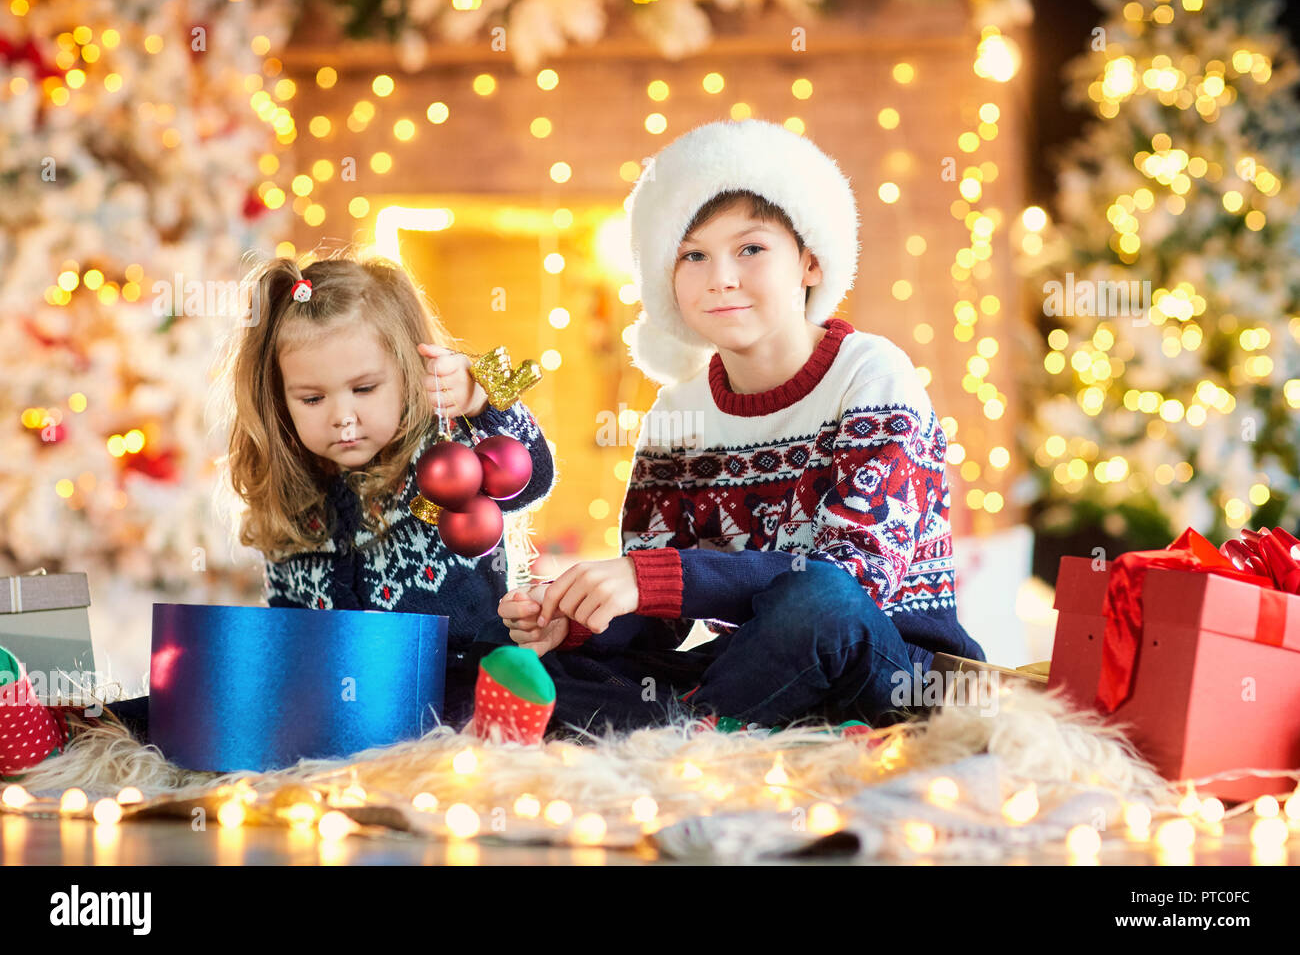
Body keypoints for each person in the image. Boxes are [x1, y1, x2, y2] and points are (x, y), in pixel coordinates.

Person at [496, 119, 986, 736]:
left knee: (818, 601)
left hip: (895, 669)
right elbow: (658, 611)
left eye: (750, 249)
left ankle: (681, 735)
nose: (720, 277)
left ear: (810, 262)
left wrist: (652, 578)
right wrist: (580, 617)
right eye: (693, 255)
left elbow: (852, 577)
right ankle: (707, 726)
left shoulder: (873, 373)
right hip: (758, 665)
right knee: (557, 665)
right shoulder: (678, 411)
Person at [0, 248, 555, 776]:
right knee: (184, 703)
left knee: (483, 696)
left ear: (411, 372)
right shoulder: (292, 495)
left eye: (364, 389)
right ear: (281, 398)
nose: (343, 417)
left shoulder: (442, 455)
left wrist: (481, 399)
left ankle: (498, 734)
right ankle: (53, 732)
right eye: (312, 399)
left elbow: (530, 474)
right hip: (323, 691)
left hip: (444, 674)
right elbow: (286, 618)